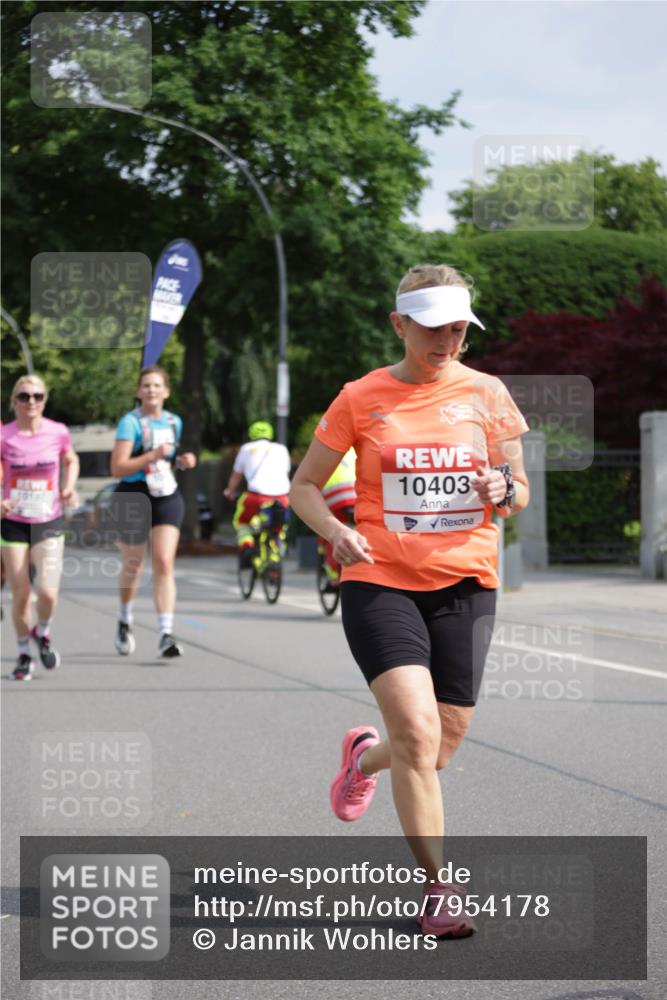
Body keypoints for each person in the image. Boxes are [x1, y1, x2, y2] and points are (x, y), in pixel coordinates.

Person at [290, 263, 530, 939]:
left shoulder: (486, 394)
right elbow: (304, 487)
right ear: (399, 324)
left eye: (458, 327)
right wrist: (336, 532)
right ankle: (438, 892)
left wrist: (501, 490)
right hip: (379, 581)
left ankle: (362, 758)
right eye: (432, 327)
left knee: (437, 748)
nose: (448, 340)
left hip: (466, 585)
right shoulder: (359, 396)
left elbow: (519, 489)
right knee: (418, 738)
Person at [109, 365, 197, 659]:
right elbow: (117, 468)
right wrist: (151, 455)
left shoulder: (174, 422)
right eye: (146, 386)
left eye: (157, 385)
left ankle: (165, 634)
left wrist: (182, 461)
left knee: (163, 562)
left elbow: (169, 461)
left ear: (166, 391)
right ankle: (124, 618)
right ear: (138, 392)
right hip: (133, 495)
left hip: (165, 493)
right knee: (133, 564)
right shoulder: (130, 423)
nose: (151, 390)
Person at [1, 374, 79, 680]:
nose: (30, 401)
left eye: (37, 396)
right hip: (14, 524)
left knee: (47, 592)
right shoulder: (5, 435)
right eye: (23, 396)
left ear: (44, 400)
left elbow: (71, 460)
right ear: (14, 401)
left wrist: (69, 487)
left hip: (48, 519)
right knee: (20, 594)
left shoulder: (57, 432)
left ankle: (42, 632)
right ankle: (23, 654)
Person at [223, 421, 291, 567]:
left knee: (241, 521)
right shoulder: (282, 449)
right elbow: (285, 471)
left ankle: (247, 545)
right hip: (282, 498)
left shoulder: (246, 449)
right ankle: (276, 554)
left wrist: (230, 492)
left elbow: (236, 476)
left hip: (256, 497)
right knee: (278, 525)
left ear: (251, 435)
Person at [318, 447, 357, 586]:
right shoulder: (356, 447)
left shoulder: (326, 446)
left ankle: (333, 573)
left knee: (330, 529)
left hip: (334, 493)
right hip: (356, 492)